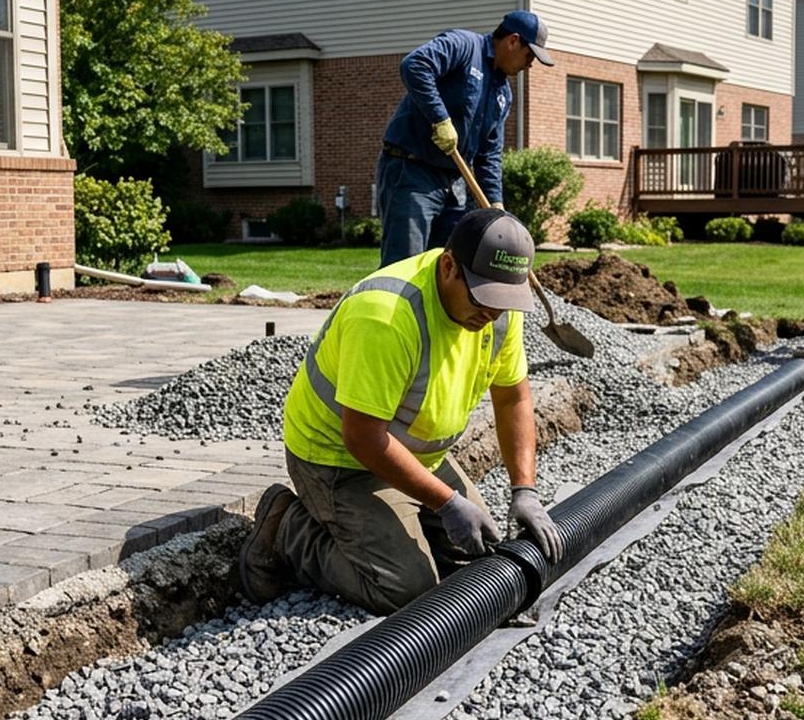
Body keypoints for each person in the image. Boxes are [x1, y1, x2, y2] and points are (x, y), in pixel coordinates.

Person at [239, 209, 565, 615]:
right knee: (407, 588)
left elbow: (513, 397)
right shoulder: (386, 316)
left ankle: (397, 522)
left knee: (478, 557)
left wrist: (525, 491)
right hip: (338, 459)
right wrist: (446, 502)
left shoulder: (497, 310)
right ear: (449, 267)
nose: (492, 314)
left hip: (414, 453)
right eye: (483, 298)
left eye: (503, 302)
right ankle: (288, 528)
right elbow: (363, 437)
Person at [375, 11, 553, 266]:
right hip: (412, 172)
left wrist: (495, 202)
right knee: (404, 265)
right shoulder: (463, 45)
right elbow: (415, 65)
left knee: (449, 267)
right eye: (529, 56)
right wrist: (440, 119)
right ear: (513, 41)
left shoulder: (503, 94)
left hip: (454, 182)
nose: (530, 65)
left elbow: (490, 153)